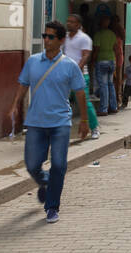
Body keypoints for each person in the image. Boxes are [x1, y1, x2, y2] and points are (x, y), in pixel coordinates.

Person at [8, 20, 86, 224]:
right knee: (32, 165)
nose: (46, 40)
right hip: (35, 122)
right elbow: (23, 84)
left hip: (60, 122)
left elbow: (80, 93)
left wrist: (85, 120)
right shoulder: (33, 62)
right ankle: (45, 182)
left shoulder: (70, 66)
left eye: (51, 37)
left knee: (59, 165)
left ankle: (52, 207)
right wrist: (15, 105)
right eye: (45, 36)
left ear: (61, 41)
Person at [63, 14, 100, 141]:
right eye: (68, 21)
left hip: (81, 75)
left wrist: (76, 70)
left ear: (78, 24)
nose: (68, 23)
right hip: (65, 75)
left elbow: (85, 56)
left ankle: (94, 128)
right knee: (61, 101)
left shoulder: (84, 38)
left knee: (84, 102)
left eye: (72, 22)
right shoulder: (65, 37)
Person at [94, 13, 121, 115]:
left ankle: (103, 109)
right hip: (111, 61)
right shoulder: (112, 34)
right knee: (110, 84)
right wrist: (116, 61)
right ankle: (113, 107)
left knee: (103, 85)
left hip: (102, 61)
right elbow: (116, 49)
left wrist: (93, 61)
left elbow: (96, 50)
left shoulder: (98, 35)